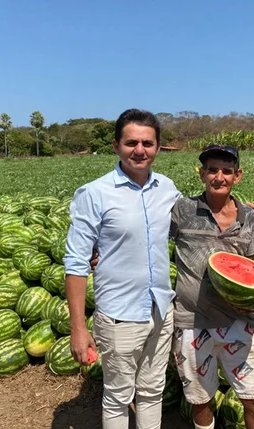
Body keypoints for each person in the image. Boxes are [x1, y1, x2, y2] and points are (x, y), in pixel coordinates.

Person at [64, 109, 179, 429]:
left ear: (157, 147)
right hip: (119, 315)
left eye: (148, 143)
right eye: (131, 142)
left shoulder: (167, 189)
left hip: (160, 309)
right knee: (117, 396)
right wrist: (78, 327)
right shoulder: (95, 193)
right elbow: (75, 262)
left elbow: (196, 219)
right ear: (116, 146)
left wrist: (241, 211)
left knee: (153, 391)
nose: (139, 150)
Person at [170, 145, 254, 429]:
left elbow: (251, 269)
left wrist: (253, 299)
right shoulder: (182, 210)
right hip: (192, 322)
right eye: (212, 170)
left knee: (253, 398)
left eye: (226, 171)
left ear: (237, 176)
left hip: (239, 323)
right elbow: (143, 233)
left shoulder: (249, 217)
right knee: (199, 399)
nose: (219, 177)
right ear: (202, 174)